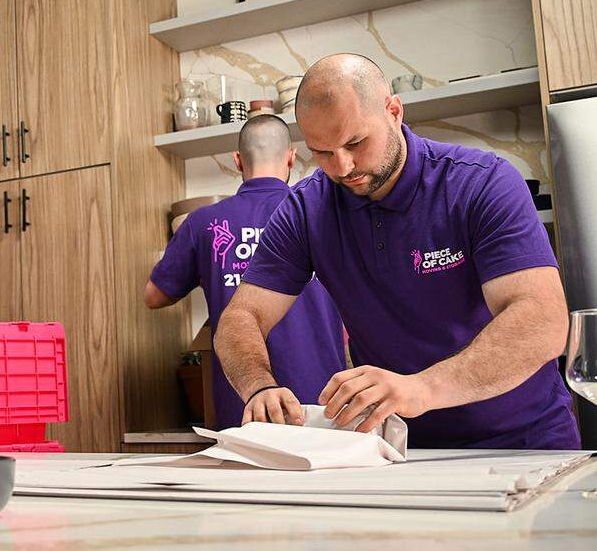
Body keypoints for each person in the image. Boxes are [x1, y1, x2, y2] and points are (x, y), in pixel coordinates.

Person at [215, 53, 580, 449]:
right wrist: (258, 387)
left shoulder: (482, 183)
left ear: (394, 111)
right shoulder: (306, 209)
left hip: (524, 440)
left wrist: (421, 389)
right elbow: (241, 317)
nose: (342, 166)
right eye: (321, 151)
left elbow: (542, 321)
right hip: (403, 448)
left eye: (355, 142)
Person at [145, 114, 346, 429]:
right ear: (291, 157)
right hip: (320, 405)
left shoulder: (202, 224)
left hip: (241, 405)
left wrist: (210, 272)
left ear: (237, 161)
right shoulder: (320, 212)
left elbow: (154, 296)